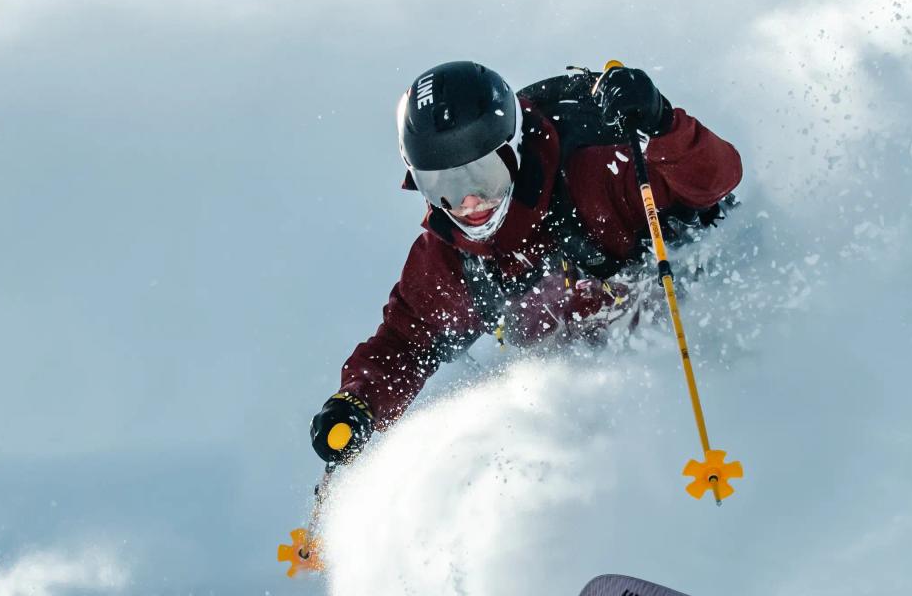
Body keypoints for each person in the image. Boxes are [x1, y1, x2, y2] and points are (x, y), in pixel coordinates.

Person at [309, 59, 744, 468]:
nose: (469, 202)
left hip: (701, 345)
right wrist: (358, 401)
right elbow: (407, 339)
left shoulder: (594, 175)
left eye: (483, 176)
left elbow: (713, 181)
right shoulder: (451, 257)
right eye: (443, 185)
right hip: (598, 414)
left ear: (513, 152)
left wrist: (661, 121)